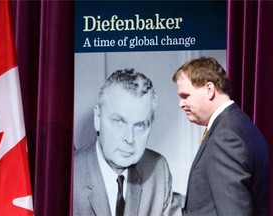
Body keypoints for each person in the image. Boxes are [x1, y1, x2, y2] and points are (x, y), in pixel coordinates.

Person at [74, 69, 181, 216]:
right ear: (98, 118)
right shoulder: (68, 175)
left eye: (139, 126)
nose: (130, 138)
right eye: (119, 122)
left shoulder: (158, 170)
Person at [172, 57, 269, 216]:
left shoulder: (225, 136)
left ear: (209, 90)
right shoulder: (243, 126)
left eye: (185, 95)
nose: (181, 104)